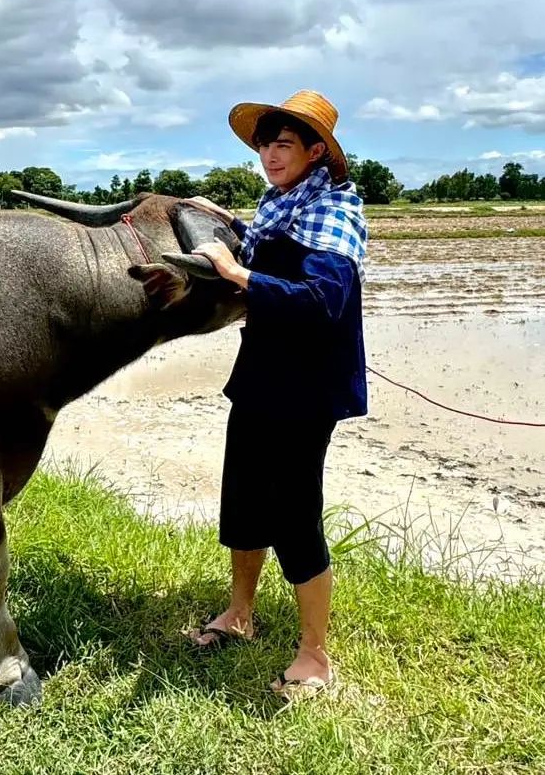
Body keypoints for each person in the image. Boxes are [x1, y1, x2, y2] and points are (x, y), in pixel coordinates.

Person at [187, 89, 368, 701]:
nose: (270, 154)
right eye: (265, 143)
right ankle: (239, 612)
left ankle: (315, 654)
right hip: (262, 375)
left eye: (284, 144)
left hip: (307, 387)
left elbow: (323, 300)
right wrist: (229, 227)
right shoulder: (279, 206)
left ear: (317, 152)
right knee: (241, 496)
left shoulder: (334, 211)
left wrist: (237, 273)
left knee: (294, 513)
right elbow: (270, 248)